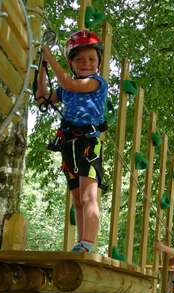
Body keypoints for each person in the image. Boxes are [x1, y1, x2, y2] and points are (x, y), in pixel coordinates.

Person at [36, 30, 108, 253]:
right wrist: (43, 66)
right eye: (80, 59)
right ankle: (80, 242)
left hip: (88, 143)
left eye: (91, 59)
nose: (86, 63)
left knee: (89, 196)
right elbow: (42, 97)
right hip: (69, 144)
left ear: (98, 63)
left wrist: (49, 55)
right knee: (77, 199)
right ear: (71, 62)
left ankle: (88, 242)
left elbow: (68, 83)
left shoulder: (97, 83)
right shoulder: (65, 88)